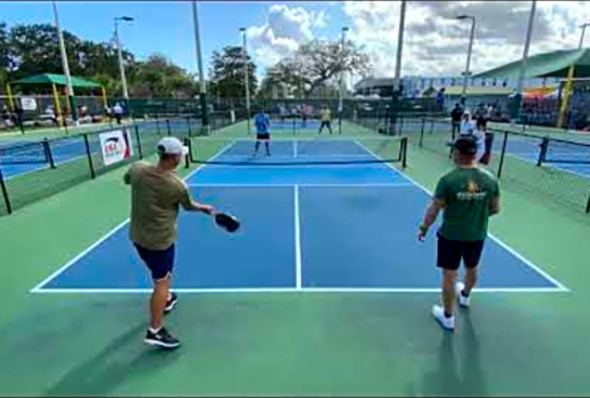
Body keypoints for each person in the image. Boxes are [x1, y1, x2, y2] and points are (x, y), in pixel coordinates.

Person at [124, 137, 215, 349]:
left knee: (162, 276)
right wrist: (203, 208)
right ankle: (155, 330)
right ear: (175, 157)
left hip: (138, 236)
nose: (183, 155)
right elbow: (188, 205)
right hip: (160, 241)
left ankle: (165, 299)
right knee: (161, 282)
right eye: (181, 153)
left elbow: (127, 179)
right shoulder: (176, 185)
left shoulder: (138, 168)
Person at [418, 135, 501, 331]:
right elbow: (495, 209)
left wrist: (424, 227)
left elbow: (434, 208)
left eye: (454, 150)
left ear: (458, 153)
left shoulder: (448, 180)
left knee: (450, 275)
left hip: (451, 235)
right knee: (472, 268)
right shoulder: (490, 179)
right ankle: (465, 297)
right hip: (477, 234)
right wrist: (474, 214)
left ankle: (448, 317)